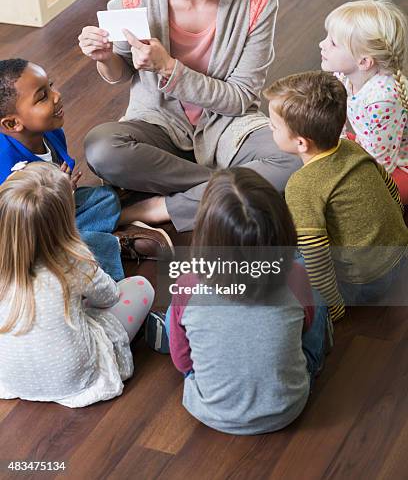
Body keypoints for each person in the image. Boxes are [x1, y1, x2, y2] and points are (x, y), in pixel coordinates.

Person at [78, 0, 300, 235]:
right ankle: (234, 190)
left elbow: (240, 98)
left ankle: (157, 207)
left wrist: (169, 68)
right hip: (158, 123)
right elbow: (120, 72)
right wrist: (105, 58)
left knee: (293, 158)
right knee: (102, 148)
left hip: (228, 125)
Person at [164, 167, 330, 435]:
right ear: (282, 229)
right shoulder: (295, 276)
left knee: (177, 308)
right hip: (288, 406)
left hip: (209, 409)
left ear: (206, 235)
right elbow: (306, 326)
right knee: (315, 297)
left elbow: (183, 364)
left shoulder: (189, 282)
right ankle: (312, 361)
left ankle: (178, 333)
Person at [0, 59, 174, 279]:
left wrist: (63, 192)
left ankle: (109, 226)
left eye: (50, 85)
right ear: (12, 124)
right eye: (42, 96)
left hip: (57, 213)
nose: (56, 95)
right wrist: (57, 196)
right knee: (58, 249)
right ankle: (114, 244)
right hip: (21, 238)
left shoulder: (51, 132)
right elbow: (18, 230)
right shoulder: (6, 168)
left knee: (104, 197)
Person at [0, 162, 154, 407]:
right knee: (141, 287)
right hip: (74, 379)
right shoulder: (73, 260)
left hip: (11, 378)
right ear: (66, 219)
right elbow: (109, 297)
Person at [264, 71, 408, 322]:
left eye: (274, 126)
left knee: (284, 257)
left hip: (363, 283)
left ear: (301, 143)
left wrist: (333, 306)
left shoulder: (301, 186)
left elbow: (316, 256)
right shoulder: (352, 147)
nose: (269, 127)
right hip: (399, 256)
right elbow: (390, 190)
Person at [320, 0, 408, 202]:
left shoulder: (382, 100)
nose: (322, 44)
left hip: (397, 165)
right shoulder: (343, 74)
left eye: (333, 43)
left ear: (364, 61)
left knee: (358, 196)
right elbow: (337, 116)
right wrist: (336, 147)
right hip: (371, 144)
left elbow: (382, 164)